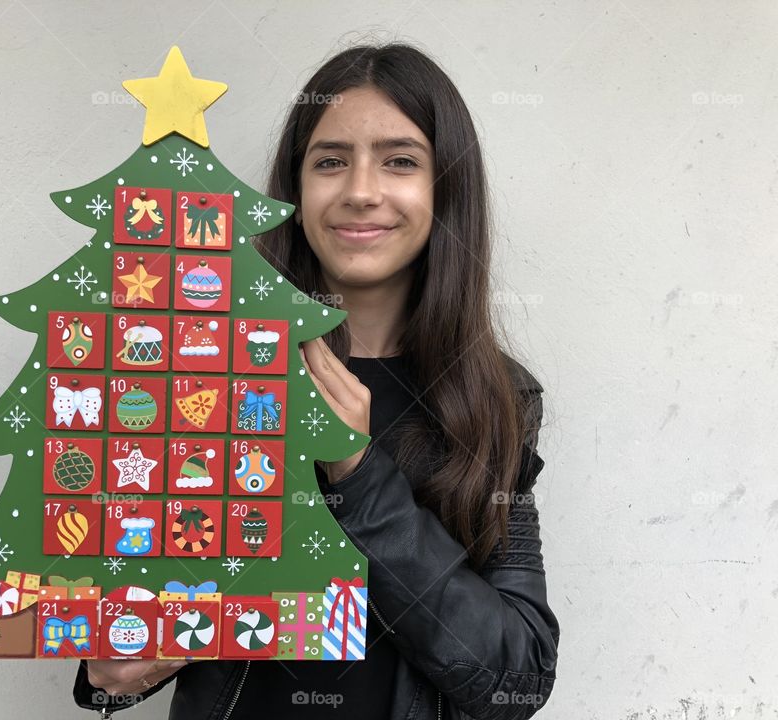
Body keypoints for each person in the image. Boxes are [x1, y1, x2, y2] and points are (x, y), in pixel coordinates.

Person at [74, 41, 560, 719]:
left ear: (444, 190)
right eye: (331, 161)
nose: (361, 191)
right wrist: (111, 670)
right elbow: (135, 610)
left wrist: (360, 475)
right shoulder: (209, 369)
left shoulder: (495, 401)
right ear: (296, 193)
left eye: (399, 161)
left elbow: (516, 675)